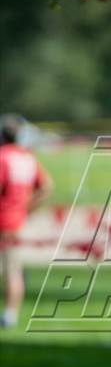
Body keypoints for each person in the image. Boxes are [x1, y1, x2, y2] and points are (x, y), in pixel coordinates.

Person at [0, 115, 52, 328]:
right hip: (17, 220)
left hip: (2, 218)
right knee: (13, 268)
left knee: (10, 268)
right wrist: (27, 208)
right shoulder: (28, 158)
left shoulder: (3, 157)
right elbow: (47, 186)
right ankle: (10, 314)